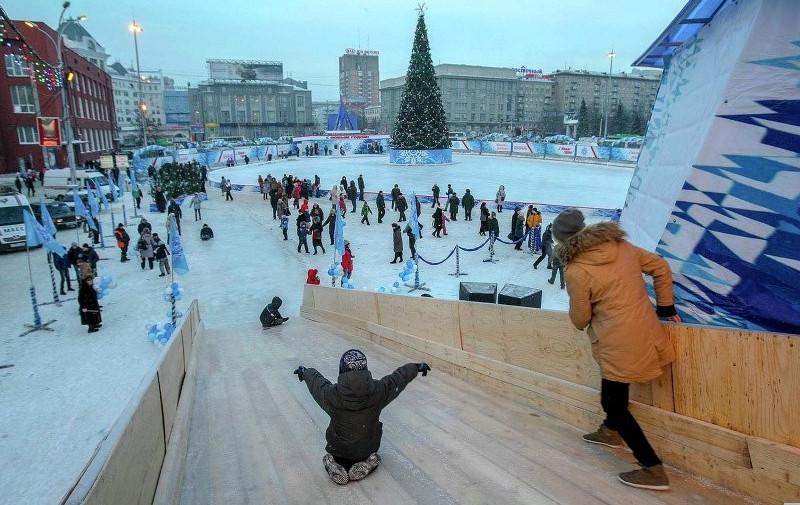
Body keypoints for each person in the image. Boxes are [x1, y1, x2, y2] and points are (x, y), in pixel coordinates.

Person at [552, 208, 678, 491]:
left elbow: (580, 320)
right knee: (616, 396)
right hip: (646, 332)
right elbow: (660, 266)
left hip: (616, 341)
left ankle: (652, 468)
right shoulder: (619, 245)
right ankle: (610, 432)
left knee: (614, 403)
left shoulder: (576, 270)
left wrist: (580, 304)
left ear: (561, 240)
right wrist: (666, 307)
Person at [293, 350, 430, 485]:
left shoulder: (331, 395)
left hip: (340, 450)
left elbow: (317, 383)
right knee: (371, 453)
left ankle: (334, 464)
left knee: (335, 455)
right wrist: (416, 367)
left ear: (342, 370)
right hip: (366, 448)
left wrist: (305, 372)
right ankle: (369, 462)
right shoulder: (379, 390)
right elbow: (397, 379)